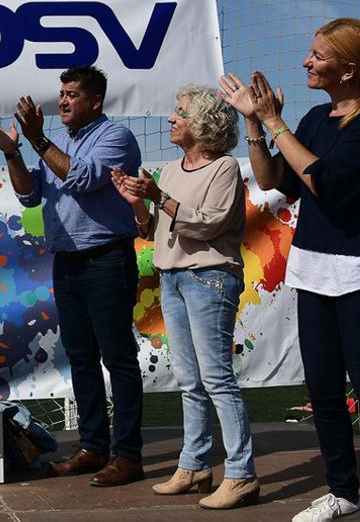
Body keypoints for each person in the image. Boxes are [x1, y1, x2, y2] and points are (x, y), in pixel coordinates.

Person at [220, 18, 360, 522]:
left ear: (348, 70)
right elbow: (272, 182)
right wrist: (255, 124)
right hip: (314, 267)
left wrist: (277, 122)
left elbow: (323, 181)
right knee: (324, 390)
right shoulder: (313, 118)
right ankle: (344, 493)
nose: (306, 61)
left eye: (318, 55)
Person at [0, 65, 144, 487]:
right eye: (62, 93)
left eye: (73, 94)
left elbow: (83, 178)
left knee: (118, 359)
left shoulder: (115, 138)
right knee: (82, 358)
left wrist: (36, 139)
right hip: (68, 261)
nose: (64, 101)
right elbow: (29, 195)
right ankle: (93, 448)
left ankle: (128, 456)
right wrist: (13, 152)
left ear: (95, 101)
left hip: (107, 259)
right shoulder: (61, 143)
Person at [111, 86, 258, 509]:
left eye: (181, 113)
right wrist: (138, 204)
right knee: (190, 381)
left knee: (216, 380)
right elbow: (152, 229)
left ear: (204, 124)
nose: (172, 119)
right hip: (172, 279)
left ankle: (241, 474)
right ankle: (194, 464)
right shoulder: (170, 170)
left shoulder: (225, 168)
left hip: (210, 279)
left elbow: (207, 225)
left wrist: (159, 197)